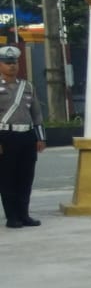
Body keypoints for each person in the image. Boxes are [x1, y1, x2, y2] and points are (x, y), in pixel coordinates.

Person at [0, 46, 45, 228]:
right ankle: (12, 217)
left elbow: (37, 113)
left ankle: (24, 214)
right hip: (5, 136)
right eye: (7, 63)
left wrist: (40, 138)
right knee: (7, 178)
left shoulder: (27, 87)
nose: (12, 66)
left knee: (26, 177)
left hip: (26, 136)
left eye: (14, 62)